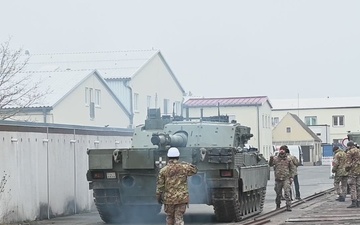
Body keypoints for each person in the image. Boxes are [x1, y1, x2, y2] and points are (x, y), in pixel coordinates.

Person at [156, 147, 198, 225]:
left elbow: (160, 186)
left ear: (168, 157)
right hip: (181, 198)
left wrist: (158, 197)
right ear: (178, 157)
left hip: (169, 199)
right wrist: (186, 163)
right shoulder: (184, 168)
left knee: (169, 218)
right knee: (179, 218)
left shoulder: (163, 170)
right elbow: (194, 170)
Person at [345, 141, 360, 208]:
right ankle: (359, 202)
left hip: (352, 171)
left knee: (352, 186)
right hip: (359, 171)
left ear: (349, 146)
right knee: (358, 186)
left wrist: (346, 169)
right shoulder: (359, 150)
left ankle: (354, 202)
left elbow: (348, 164)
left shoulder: (350, 152)